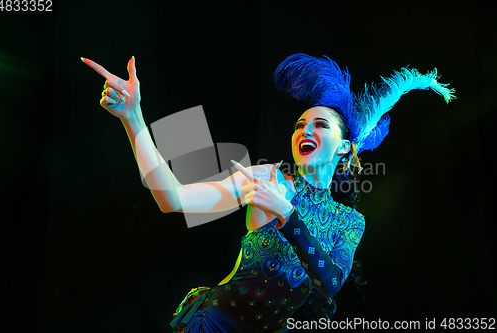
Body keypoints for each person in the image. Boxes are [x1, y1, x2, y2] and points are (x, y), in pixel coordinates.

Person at [82, 54, 455, 332]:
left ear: (344, 148)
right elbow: (173, 200)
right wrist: (133, 118)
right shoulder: (266, 178)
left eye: (320, 125)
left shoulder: (349, 221)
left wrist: (287, 214)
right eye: (299, 124)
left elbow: (331, 282)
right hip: (215, 325)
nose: (304, 130)